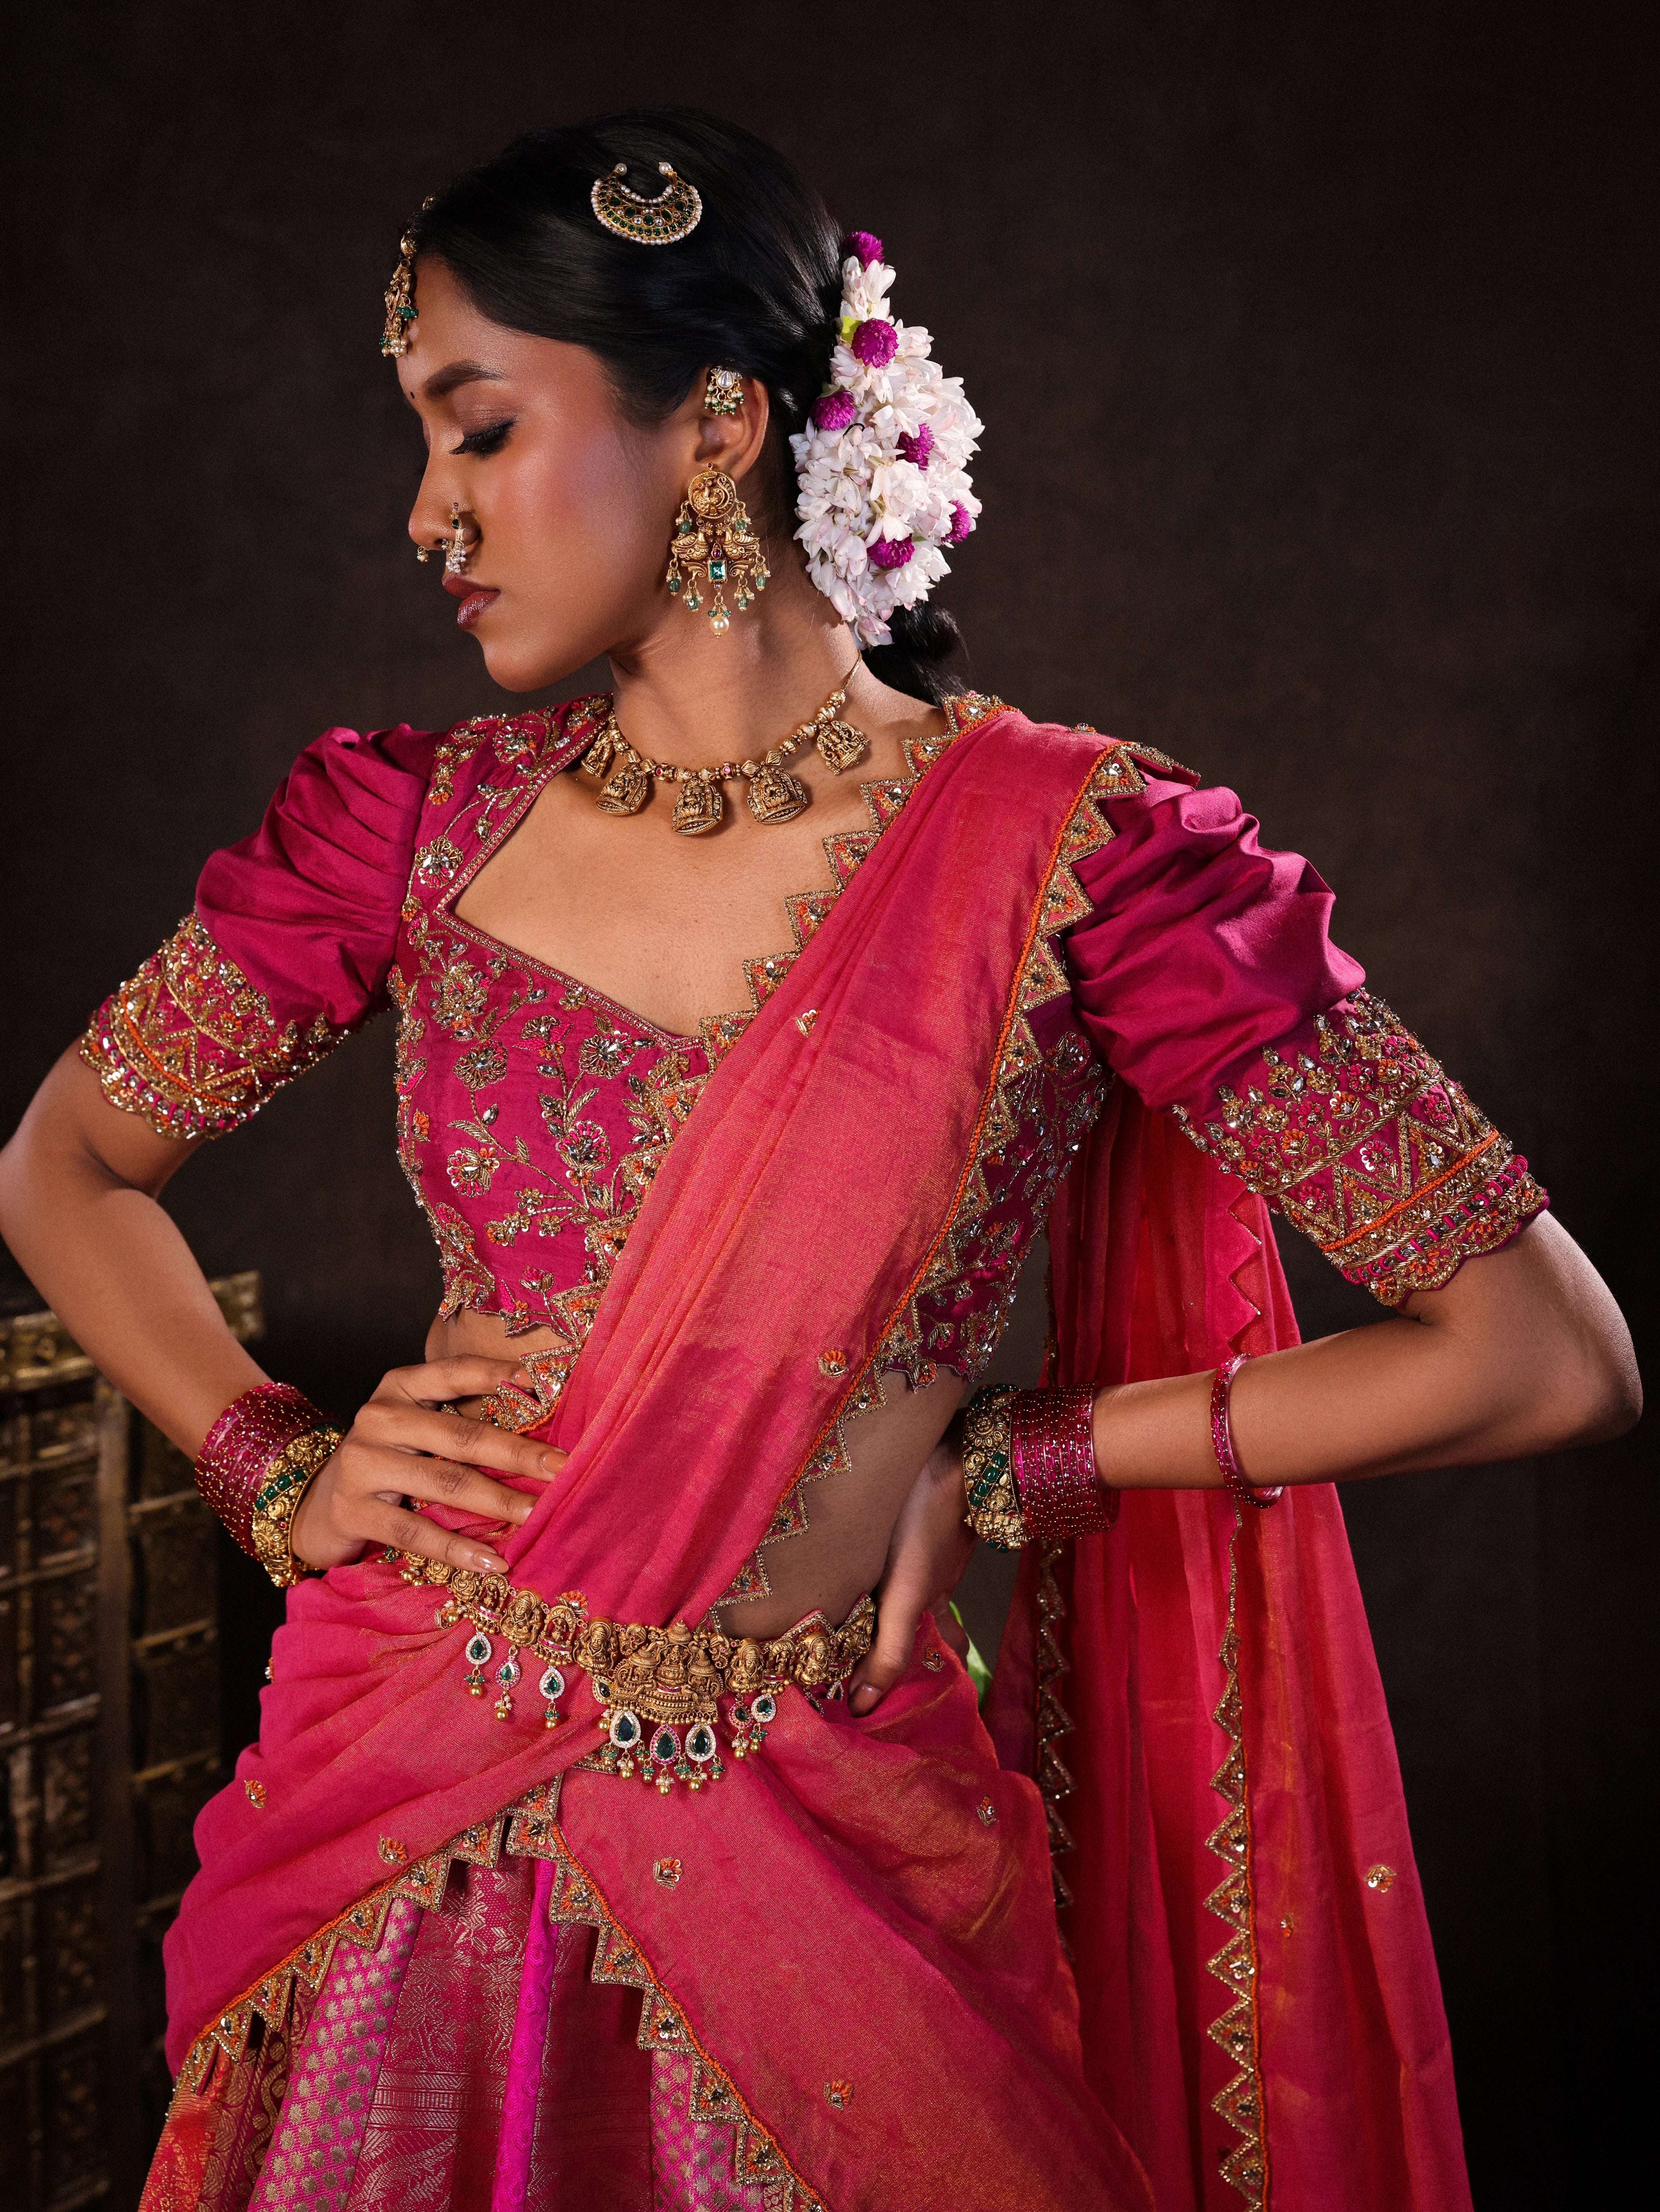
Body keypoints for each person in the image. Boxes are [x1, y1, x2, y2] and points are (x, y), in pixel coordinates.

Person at [0, 108, 1636, 2212]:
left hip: (835, 1824)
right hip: (403, 1811)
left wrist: (1013, 1462)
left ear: (712, 430)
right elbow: (64, 1163)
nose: (427, 514)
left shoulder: (1078, 862)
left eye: (476, 430)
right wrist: (270, 1462)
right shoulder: (408, 831)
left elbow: (1540, 1349)